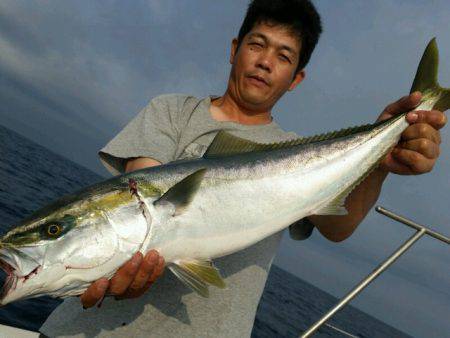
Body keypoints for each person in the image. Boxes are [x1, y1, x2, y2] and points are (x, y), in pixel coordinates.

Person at [40, 0, 446, 337]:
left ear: (296, 78)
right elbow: (143, 193)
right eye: (258, 45)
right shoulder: (172, 111)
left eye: (283, 55)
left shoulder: (296, 153)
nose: (266, 62)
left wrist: (381, 161)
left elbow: (336, 227)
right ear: (235, 49)